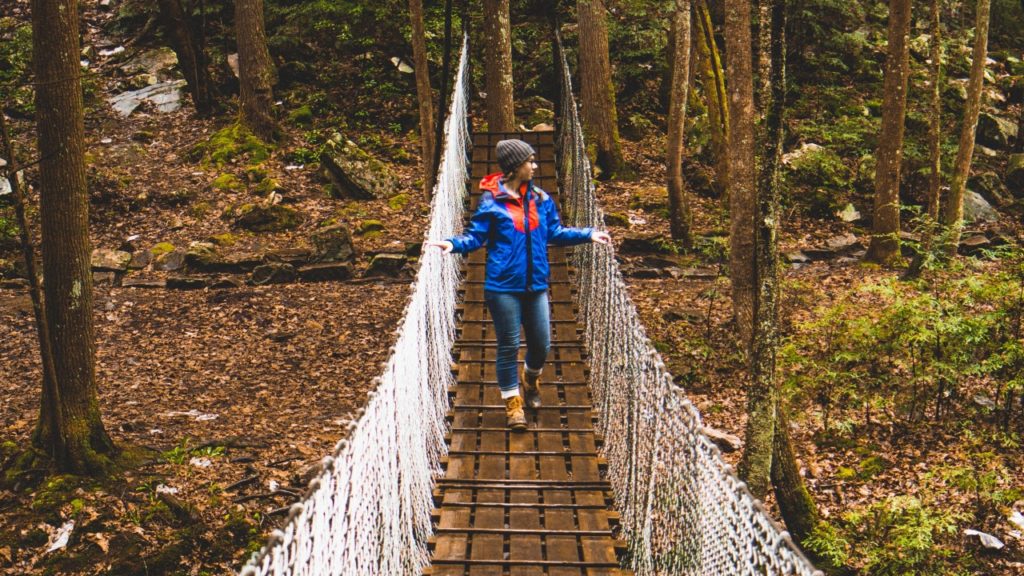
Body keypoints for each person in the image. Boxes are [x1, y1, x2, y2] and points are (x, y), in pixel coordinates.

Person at [426, 139, 611, 431]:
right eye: (530, 161)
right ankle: (513, 406)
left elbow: (555, 232)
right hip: (502, 287)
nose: (535, 166)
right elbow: (475, 237)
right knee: (509, 344)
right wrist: (452, 244)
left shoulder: (541, 199)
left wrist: (588, 234)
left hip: (536, 285)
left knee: (541, 344)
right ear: (515, 167)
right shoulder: (491, 203)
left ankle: (530, 378)